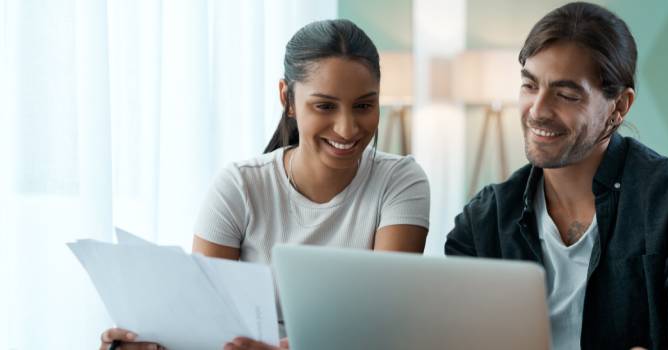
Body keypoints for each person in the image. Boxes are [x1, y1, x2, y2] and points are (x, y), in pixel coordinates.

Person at [99, 19, 430, 350]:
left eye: (364, 106)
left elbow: (386, 324)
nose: (347, 128)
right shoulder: (239, 185)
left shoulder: (400, 182)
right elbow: (204, 324)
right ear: (287, 98)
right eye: (325, 106)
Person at [445, 2, 668, 349]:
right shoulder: (484, 220)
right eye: (530, 86)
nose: (537, 111)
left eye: (566, 94)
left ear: (619, 106)